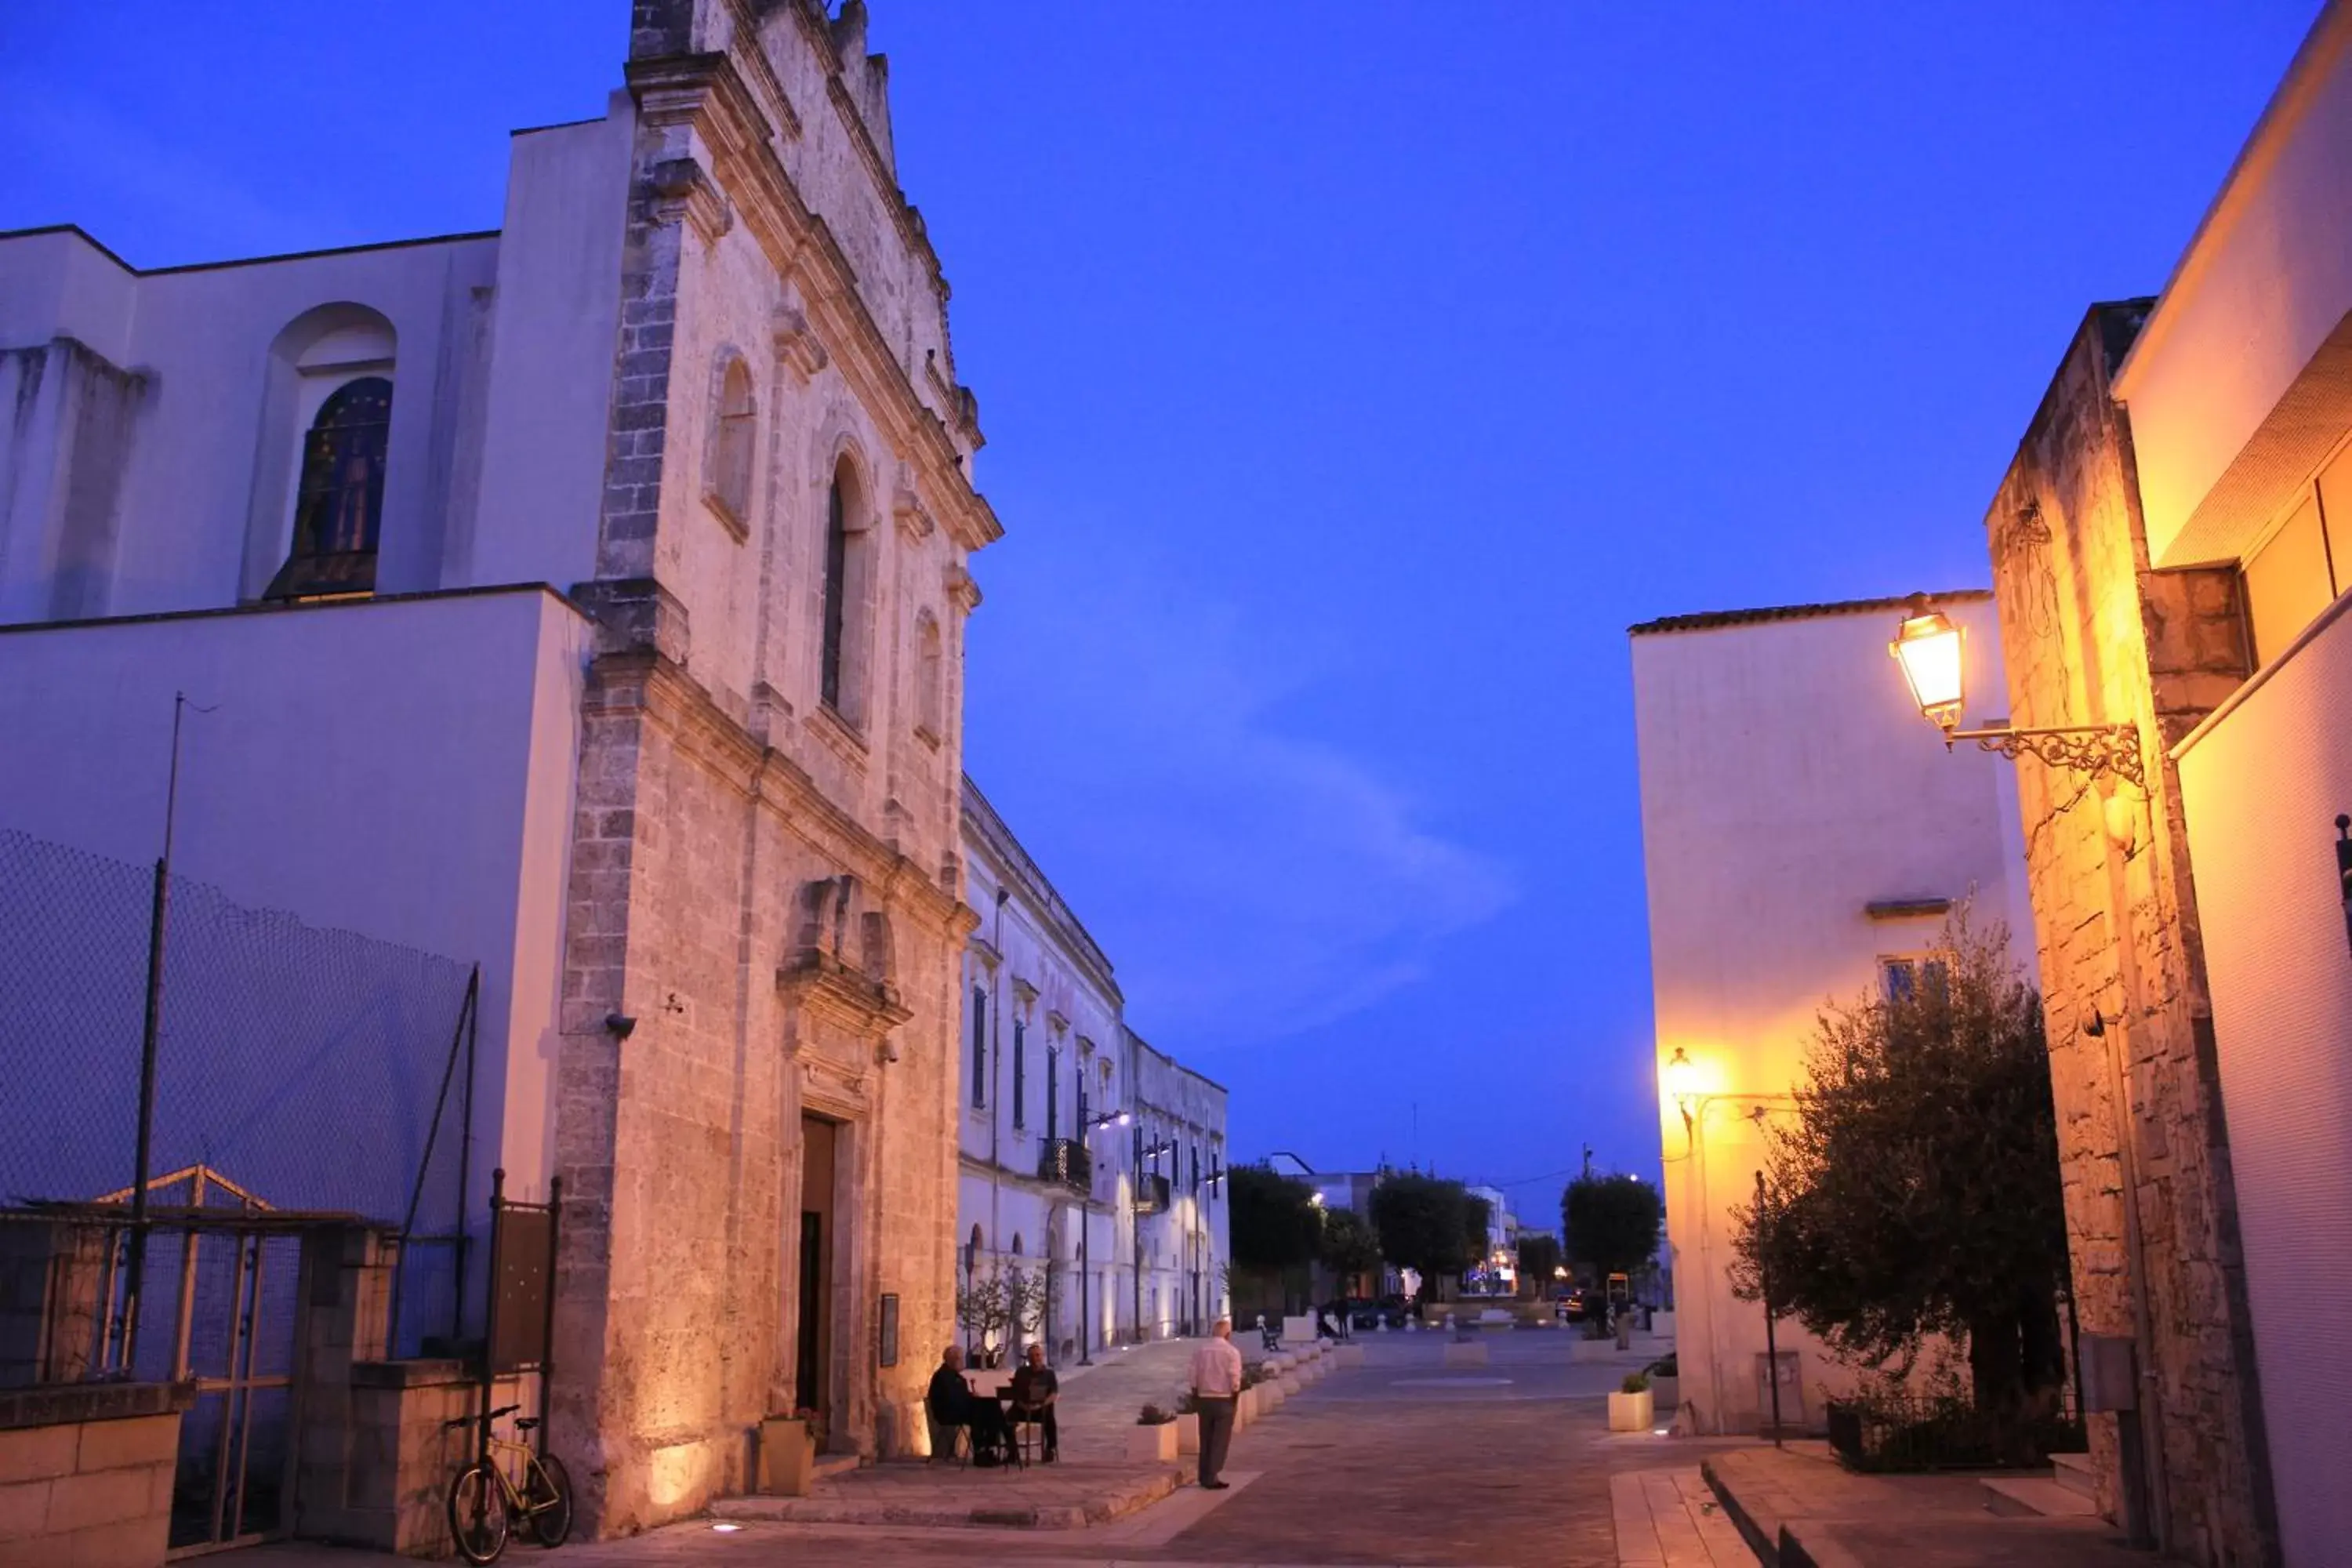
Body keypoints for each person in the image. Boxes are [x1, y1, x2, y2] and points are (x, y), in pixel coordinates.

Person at [926, 1345, 1012, 1464]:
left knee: (992, 1404)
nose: (963, 1362)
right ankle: (983, 1451)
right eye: (961, 1359)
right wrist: (971, 1399)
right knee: (980, 1410)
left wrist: (971, 1397)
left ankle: (991, 1449)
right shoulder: (943, 1376)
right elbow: (952, 1400)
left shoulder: (957, 1377)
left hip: (961, 1410)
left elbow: (961, 1396)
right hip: (948, 1414)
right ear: (953, 1360)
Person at [1188, 1316, 1244, 1490]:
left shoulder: (1200, 1351)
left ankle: (1204, 1474)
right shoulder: (1231, 1352)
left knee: (1205, 1437)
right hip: (1223, 1398)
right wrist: (1235, 1392)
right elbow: (1234, 1376)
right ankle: (1212, 1475)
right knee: (1220, 1439)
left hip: (1203, 1397)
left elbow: (1192, 1374)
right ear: (1227, 1335)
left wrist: (1195, 1390)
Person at [1007, 1341, 1060, 1462]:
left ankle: (1050, 1449)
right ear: (1028, 1358)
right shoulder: (1021, 1372)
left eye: (1038, 1355)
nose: (1035, 1358)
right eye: (1032, 1356)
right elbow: (1015, 1391)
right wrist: (1023, 1405)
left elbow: (1054, 1394)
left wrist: (1040, 1405)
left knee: (1050, 1419)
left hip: (1041, 1408)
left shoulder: (1049, 1374)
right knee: (1006, 1419)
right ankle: (1012, 1451)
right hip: (1022, 1407)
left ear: (1042, 1356)